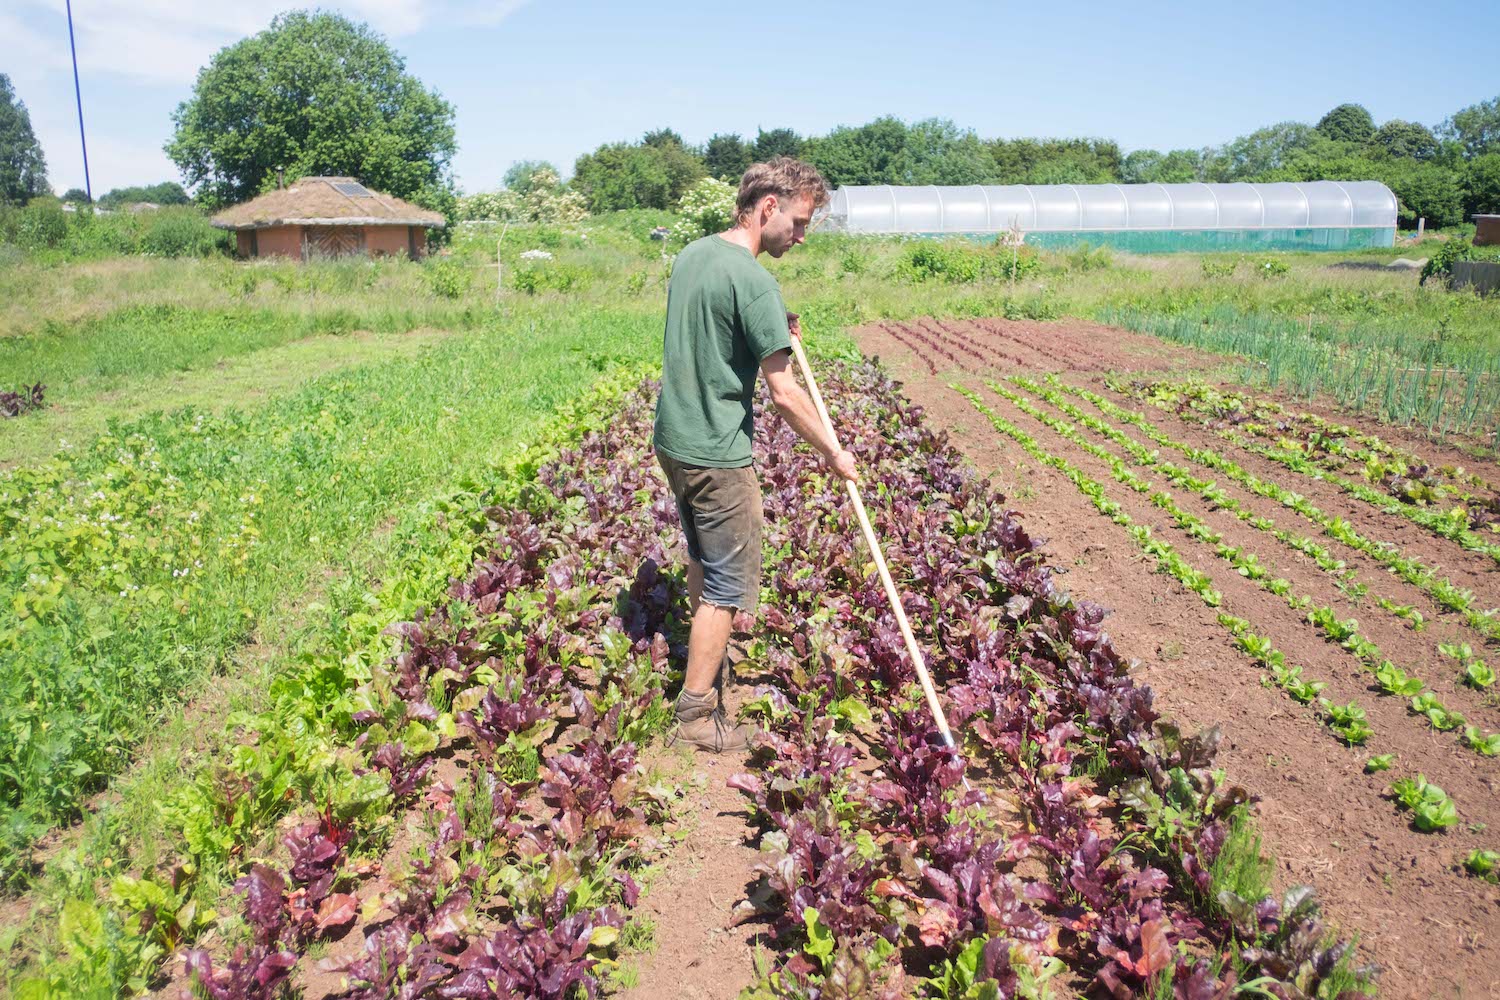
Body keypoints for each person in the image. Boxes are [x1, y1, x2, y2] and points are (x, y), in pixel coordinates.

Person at [652, 156, 858, 753]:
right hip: (717, 450)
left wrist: (770, 326)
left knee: (701, 557)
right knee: (727, 584)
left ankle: (704, 669)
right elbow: (786, 395)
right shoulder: (756, 280)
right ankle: (694, 714)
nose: (799, 237)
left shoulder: (693, 254)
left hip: (675, 438)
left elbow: (717, 326)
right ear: (768, 207)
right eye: (797, 223)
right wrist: (834, 453)